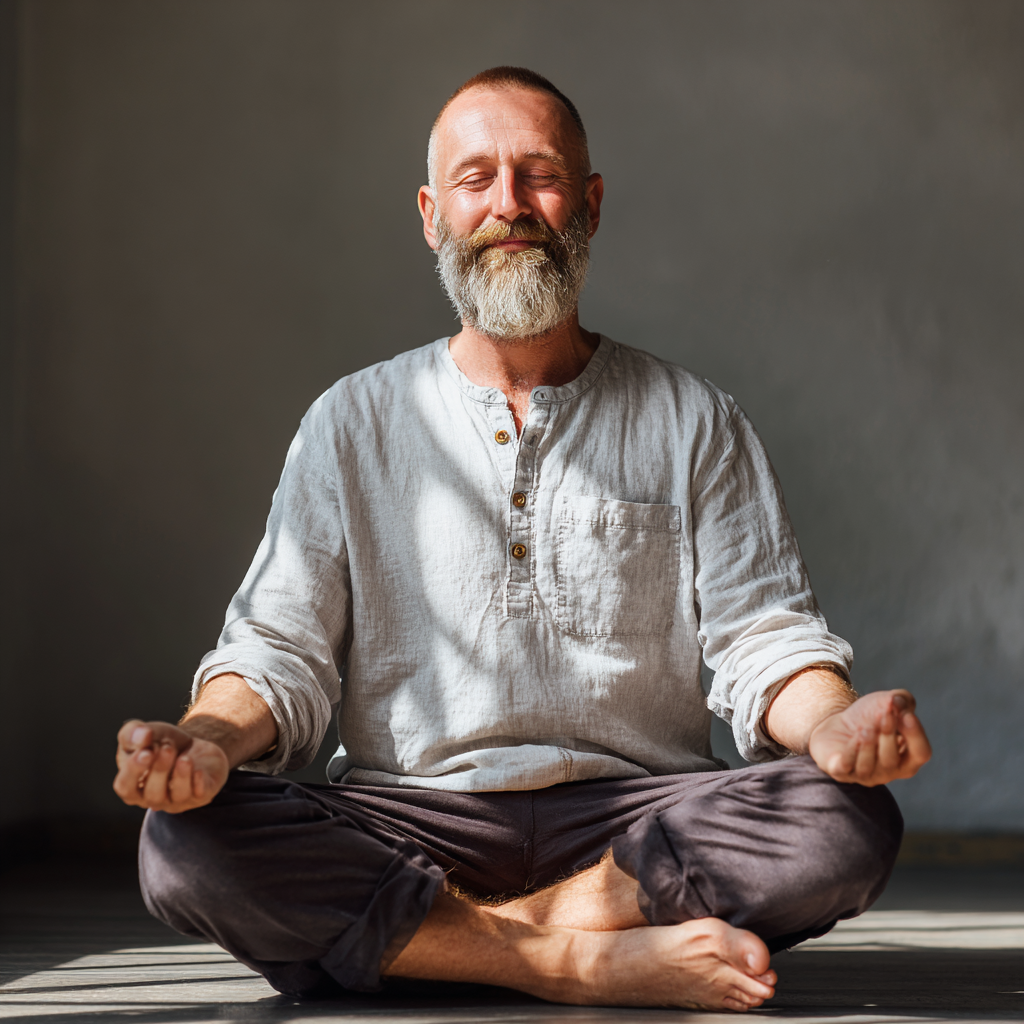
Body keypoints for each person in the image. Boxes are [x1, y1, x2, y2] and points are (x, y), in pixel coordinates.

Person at [112, 67, 931, 1011]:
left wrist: (836, 726)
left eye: (538, 175)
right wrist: (204, 740)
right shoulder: (352, 422)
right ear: (432, 214)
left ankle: (434, 945)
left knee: (845, 817)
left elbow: (766, 641)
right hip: (408, 816)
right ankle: (583, 962)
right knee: (184, 841)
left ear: (588, 204)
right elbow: (277, 650)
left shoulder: (693, 417)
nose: (509, 206)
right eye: (476, 180)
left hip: (637, 824)